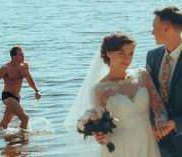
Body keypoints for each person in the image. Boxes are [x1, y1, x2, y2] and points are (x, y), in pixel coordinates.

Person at [65, 32, 167, 157]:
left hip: (147, 142)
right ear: (108, 53)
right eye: (121, 53)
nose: (127, 59)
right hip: (119, 147)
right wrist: (100, 135)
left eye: (131, 54)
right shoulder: (99, 89)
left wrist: (160, 122)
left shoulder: (143, 75)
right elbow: (101, 125)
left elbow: (158, 107)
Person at [146, 6, 182, 157]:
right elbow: (148, 93)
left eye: (154, 28)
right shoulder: (152, 56)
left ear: (166, 28)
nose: (152, 32)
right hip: (158, 141)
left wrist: (175, 123)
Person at [0, 46, 41, 129]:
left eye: (23, 54)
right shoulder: (5, 68)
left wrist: (36, 90)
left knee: (5, 122)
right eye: (20, 55)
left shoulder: (25, 66)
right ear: (13, 57)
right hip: (7, 96)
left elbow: (28, 78)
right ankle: (23, 138)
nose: (23, 56)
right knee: (25, 118)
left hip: (17, 97)